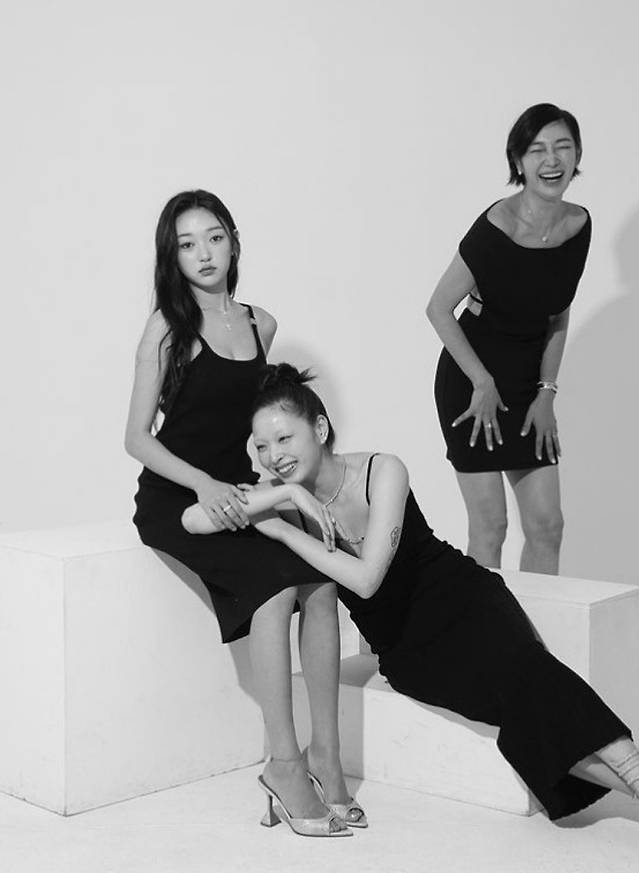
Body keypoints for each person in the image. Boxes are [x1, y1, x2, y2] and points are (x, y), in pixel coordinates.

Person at [193, 362, 639, 826]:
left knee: (525, 671)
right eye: (262, 446)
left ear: (319, 428)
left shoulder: (381, 470)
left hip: (463, 601)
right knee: (514, 709)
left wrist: (284, 532)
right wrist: (285, 498)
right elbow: (193, 520)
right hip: (405, 650)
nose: (274, 456)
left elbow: (367, 579)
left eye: (284, 438)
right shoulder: (283, 496)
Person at [125, 190, 364, 837]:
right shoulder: (167, 327)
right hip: (177, 496)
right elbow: (137, 438)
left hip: (238, 491)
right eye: (187, 244)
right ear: (172, 257)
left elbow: (258, 430)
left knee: (322, 583)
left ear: (233, 241)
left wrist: (284, 490)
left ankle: (327, 760)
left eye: (214, 237)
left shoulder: (263, 324)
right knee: (274, 583)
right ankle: (284, 766)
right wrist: (203, 484)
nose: (204, 254)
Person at [427, 103, 591, 574]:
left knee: (548, 526)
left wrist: (547, 393)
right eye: (537, 150)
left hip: (528, 386)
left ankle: (535, 623)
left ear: (577, 155)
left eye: (562, 147)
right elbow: (438, 308)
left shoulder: (578, 225)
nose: (552, 160)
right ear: (518, 160)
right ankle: (486, 623)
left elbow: (557, 314)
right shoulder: (496, 228)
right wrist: (482, 381)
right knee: (491, 527)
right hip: (472, 382)